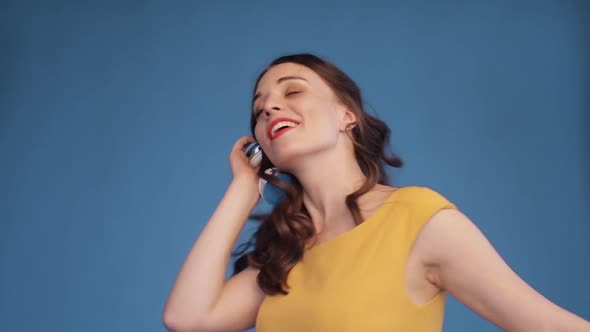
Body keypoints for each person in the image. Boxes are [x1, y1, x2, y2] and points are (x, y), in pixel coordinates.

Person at [163, 53, 590, 332]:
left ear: (346, 116)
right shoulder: (283, 253)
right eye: (259, 109)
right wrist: (243, 187)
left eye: (292, 90)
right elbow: (187, 318)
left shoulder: (416, 218)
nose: (270, 106)